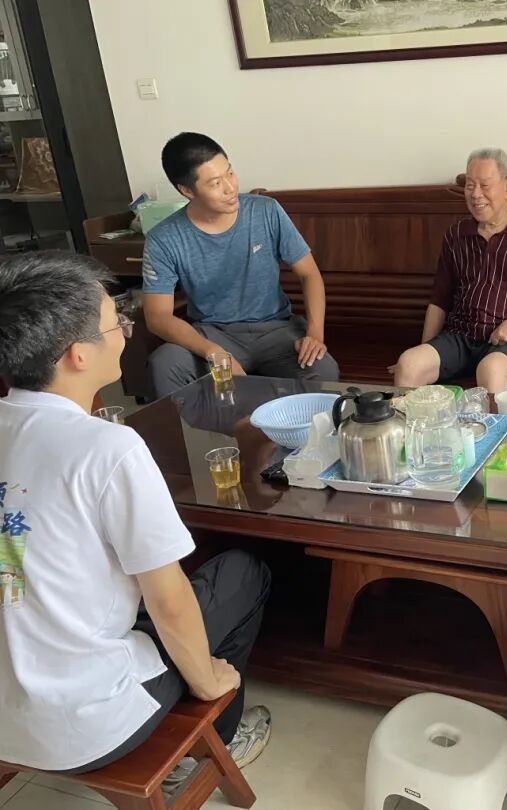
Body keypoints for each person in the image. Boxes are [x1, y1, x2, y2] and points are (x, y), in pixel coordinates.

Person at [0, 251, 272, 785]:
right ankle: (211, 742)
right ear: (79, 355)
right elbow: (168, 600)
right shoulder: (107, 447)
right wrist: (208, 679)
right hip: (85, 723)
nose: (125, 333)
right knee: (242, 572)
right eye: (115, 323)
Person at [143, 132, 339, 398]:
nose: (230, 188)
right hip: (212, 333)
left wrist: (315, 334)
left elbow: (309, 275)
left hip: (276, 330)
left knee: (323, 370)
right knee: (165, 365)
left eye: (230, 173)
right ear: (187, 190)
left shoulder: (266, 211)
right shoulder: (164, 239)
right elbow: (158, 316)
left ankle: (282, 425)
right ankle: (210, 426)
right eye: (215, 183)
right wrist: (212, 351)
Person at [392, 148, 507, 394]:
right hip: (459, 337)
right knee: (409, 364)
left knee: (491, 370)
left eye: (484, 185)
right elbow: (439, 301)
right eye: (470, 185)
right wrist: (426, 350)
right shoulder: (456, 235)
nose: (475, 194)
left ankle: (493, 422)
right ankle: (413, 420)